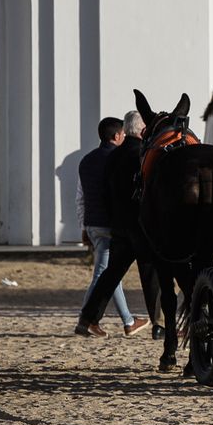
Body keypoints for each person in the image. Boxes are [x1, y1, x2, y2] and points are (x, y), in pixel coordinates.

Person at [75, 116, 146, 337]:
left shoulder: (86, 160)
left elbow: (81, 197)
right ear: (116, 136)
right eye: (123, 135)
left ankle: (119, 320)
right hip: (108, 224)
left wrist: (84, 226)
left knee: (109, 273)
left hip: (92, 223)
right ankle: (88, 320)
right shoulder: (117, 159)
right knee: (104, 274)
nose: (124, 138)